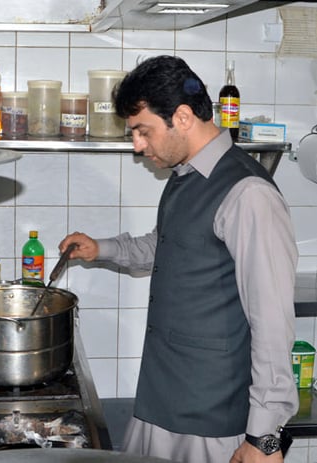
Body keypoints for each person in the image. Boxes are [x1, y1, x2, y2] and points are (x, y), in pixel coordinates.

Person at [59, 55, 298, 463]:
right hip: (162, 400)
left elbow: (272, 322)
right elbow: (165, 246)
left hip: (212, 417)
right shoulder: (186, 175)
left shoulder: (248, 194)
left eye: (143, 131)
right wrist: (102, 249)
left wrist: (264, 439)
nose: (137, 146)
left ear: (183, 117)